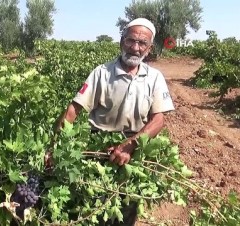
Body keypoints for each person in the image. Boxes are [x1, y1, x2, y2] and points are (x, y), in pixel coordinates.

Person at [48, 18, 175, 225]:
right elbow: (73, 110)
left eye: (142, 43)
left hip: (134, 151)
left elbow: (158, 119)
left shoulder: (154, 78)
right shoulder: (102, 73)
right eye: (130, 41)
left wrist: (131, 144)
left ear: (149, 49)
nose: (135, 48)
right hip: (98, 150)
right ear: (121, 41)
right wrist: (54, 146)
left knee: (125, 211)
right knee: (91, 206)